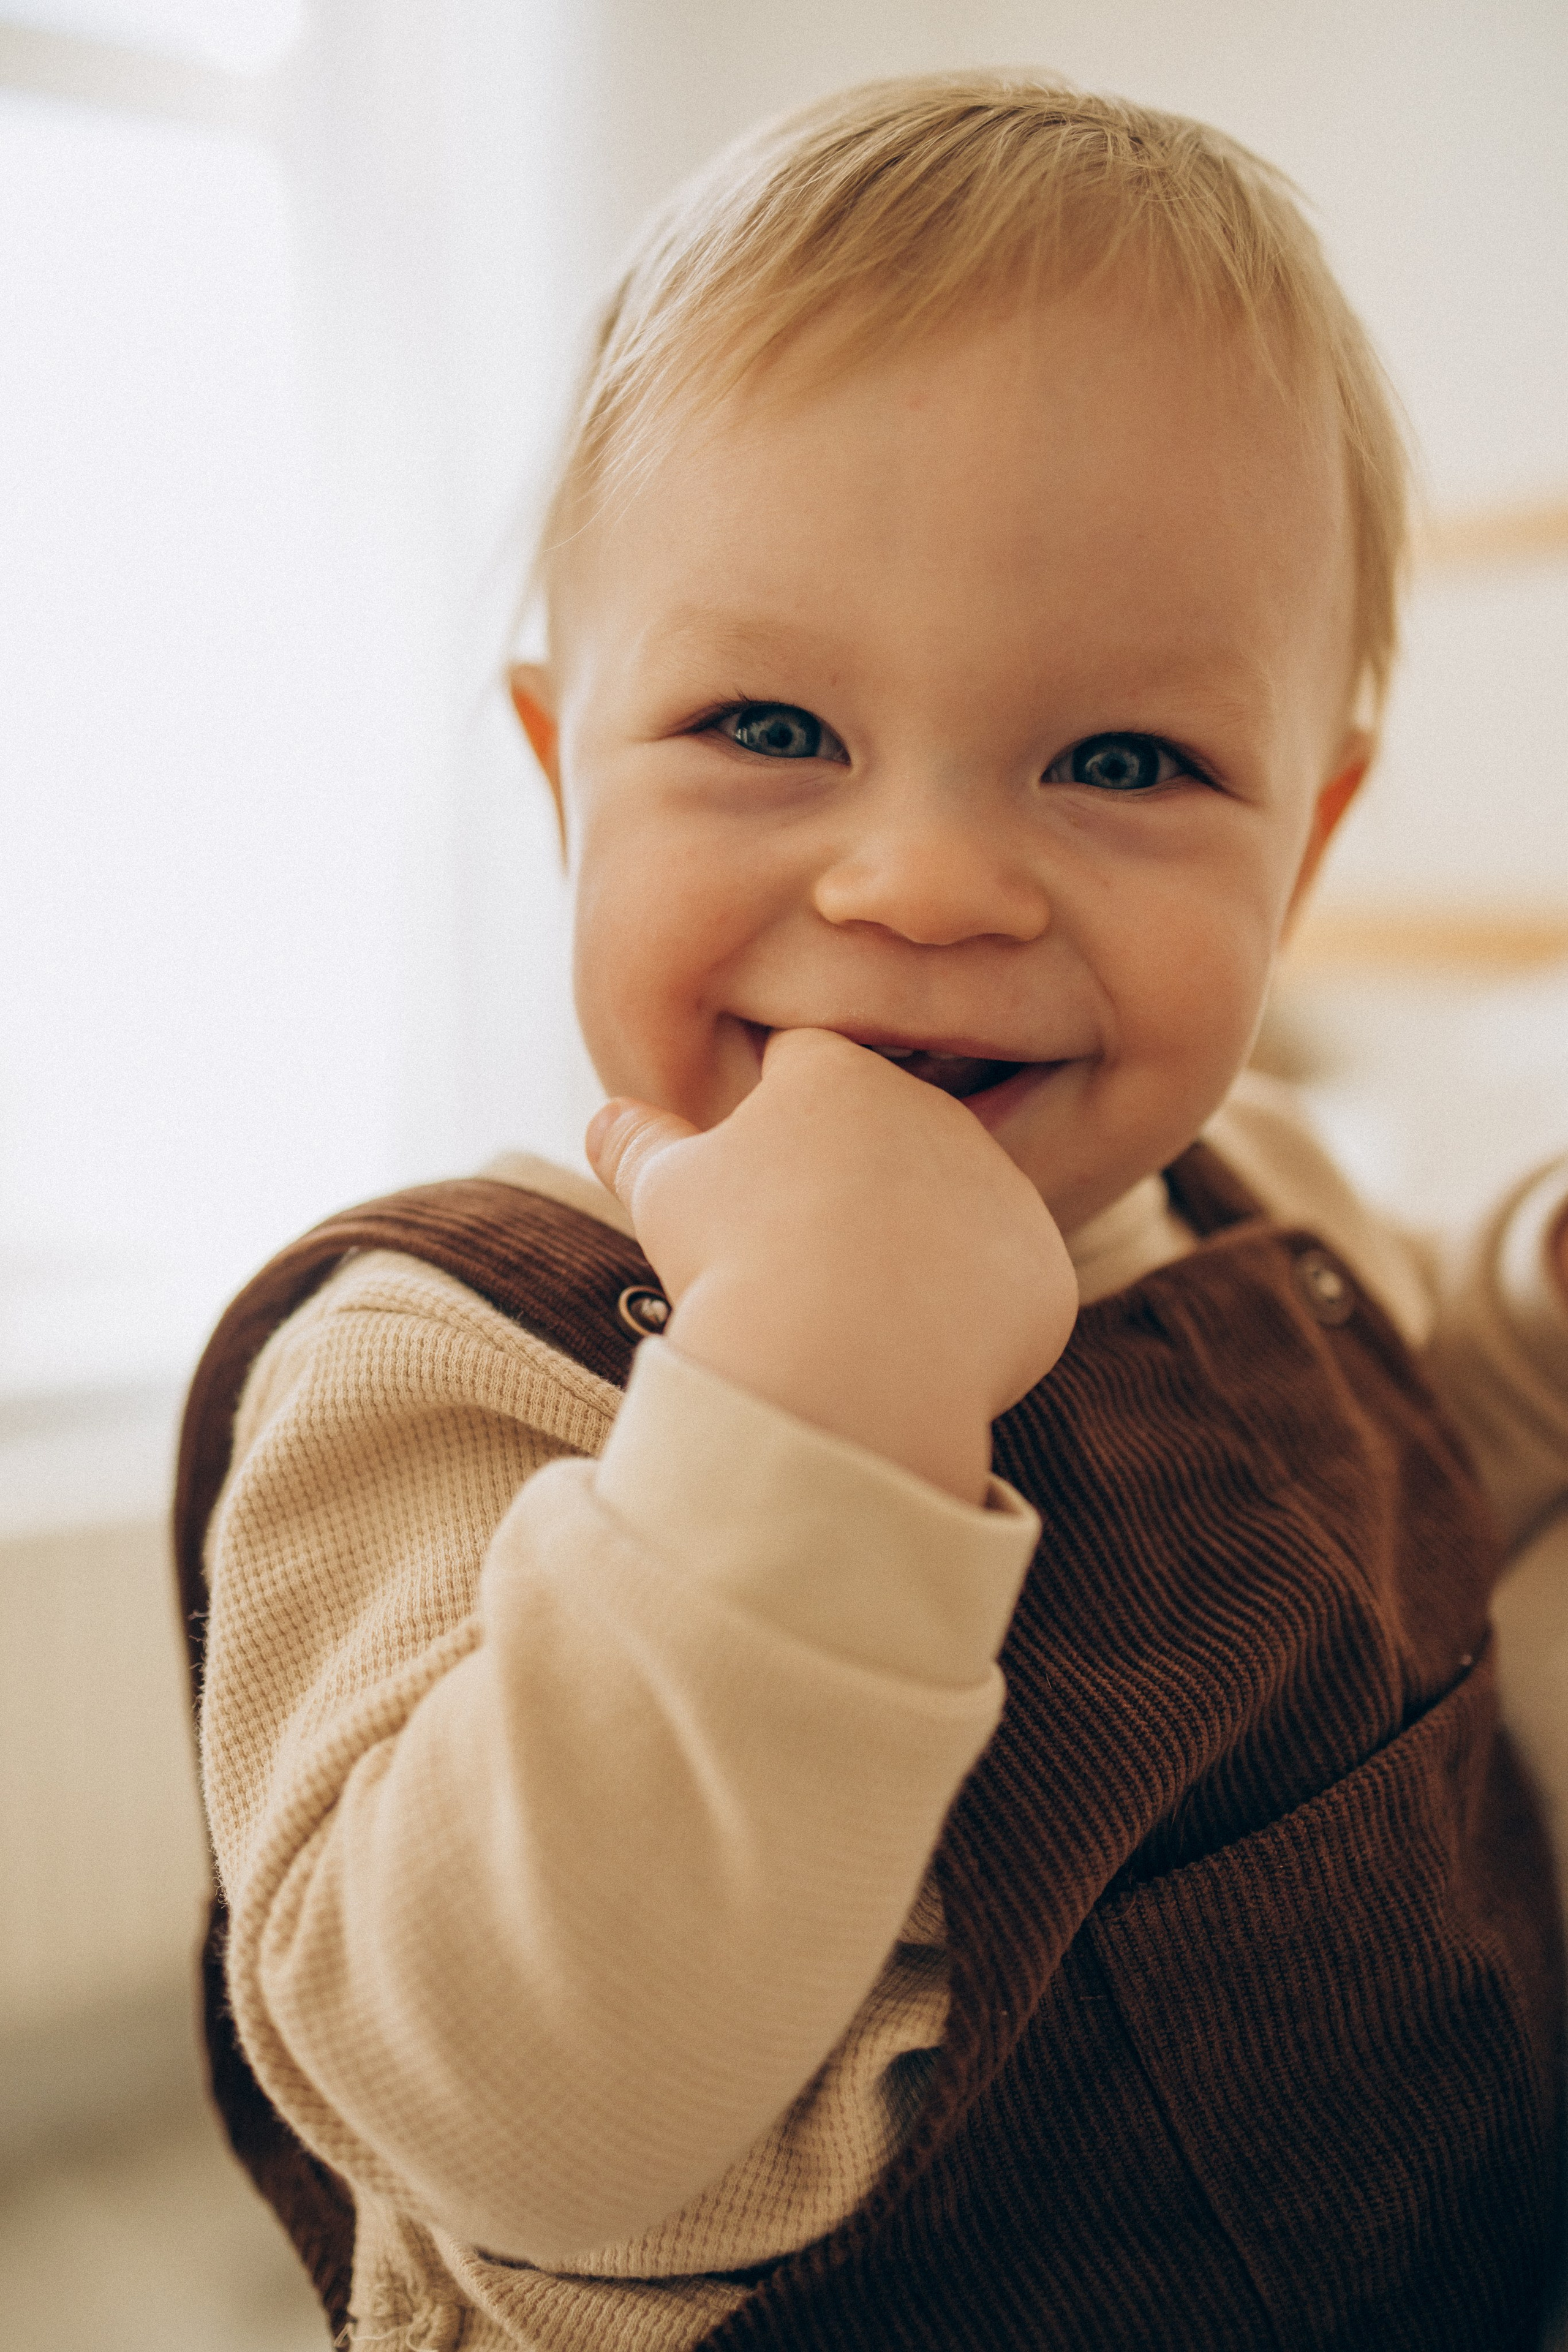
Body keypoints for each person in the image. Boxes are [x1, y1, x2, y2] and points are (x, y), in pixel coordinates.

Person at [195, 72, 1568, 2350]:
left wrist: (1530, 1310)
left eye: (1126, 762)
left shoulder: (1264, 1207)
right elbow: (508, 2107)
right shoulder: (440, 1362)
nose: (923, 884)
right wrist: (811, 1390)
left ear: (1301, 853)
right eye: (764, 724)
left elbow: (1391, 1503)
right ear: (563, 781)